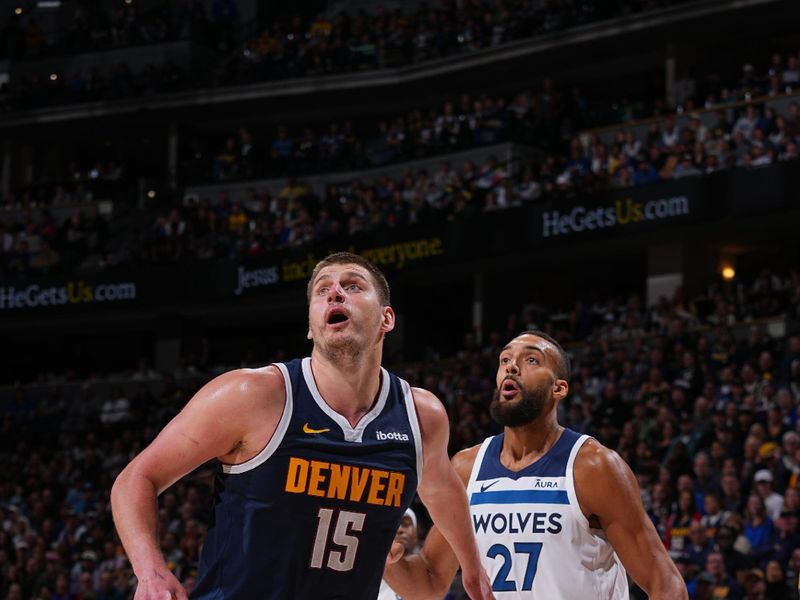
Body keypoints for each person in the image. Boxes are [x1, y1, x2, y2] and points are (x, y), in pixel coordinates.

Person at [111, 252, 492, 600]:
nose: (335, 293)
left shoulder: (420, 416)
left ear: (386, 319)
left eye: (353, 285)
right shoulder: (252, 395)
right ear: (311, 326)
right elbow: (136, 478)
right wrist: (151, 572)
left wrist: (473, 570)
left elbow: (442, 489)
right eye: (322, 290)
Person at [385, 330, 687, 598]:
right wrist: (383, 556)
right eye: (504, 360)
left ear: (559, 389)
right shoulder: (467, 467)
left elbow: (666, 583)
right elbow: (429, 582)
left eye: (531, 361)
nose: (511, 367)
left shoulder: (594, 467)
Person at [378, 508, 421, 600]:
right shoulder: (369, 571)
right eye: (394, 524)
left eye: (406, 524)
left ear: (415, 535)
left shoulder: (426, 574)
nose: (400, 529)